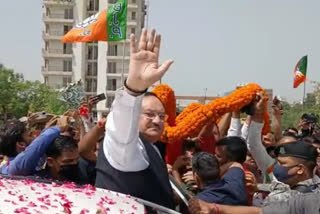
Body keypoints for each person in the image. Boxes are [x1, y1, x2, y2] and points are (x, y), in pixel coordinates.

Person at [95, 29, 175, 209]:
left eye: (161, 116)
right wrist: (134, 89)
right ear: (134, 115)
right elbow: (122, 132)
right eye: (149, 114)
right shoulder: (124, 148)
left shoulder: (153, 148)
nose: (157, 121)